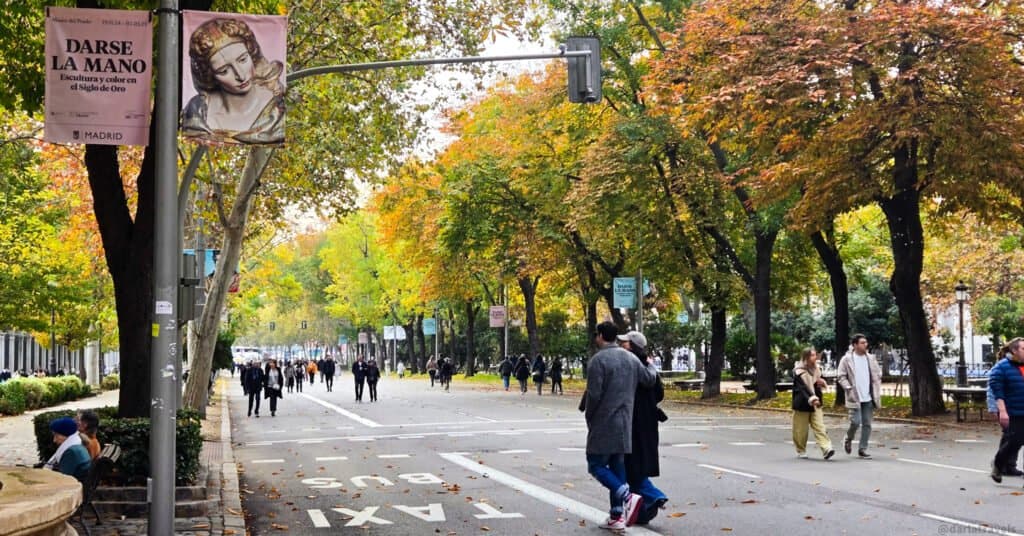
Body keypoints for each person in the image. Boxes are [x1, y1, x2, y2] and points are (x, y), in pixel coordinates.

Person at [582, 321, 659, 529]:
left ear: (600, 336)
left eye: (596, 335)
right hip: (626, 422)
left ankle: (627, 497)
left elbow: (594, 395)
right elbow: (649, 379)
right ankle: (617, 516)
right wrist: (651, 364)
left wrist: (590, 418)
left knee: (595, 464)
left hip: (604, 422)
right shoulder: (631, 359)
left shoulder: (598, 361)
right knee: (617, 466)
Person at [182, 17, 285, 145]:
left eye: (243, 60)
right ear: (210, 76)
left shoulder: (275, 112)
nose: (240, 75)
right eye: (224, 71)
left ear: (252, 54)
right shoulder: (197, 113)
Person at [617, 331, 669, 525]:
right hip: (648, 422)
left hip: (631, 421)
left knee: (630, 468)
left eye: (625, 342)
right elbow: (659, 393)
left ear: (631, 346)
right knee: (638, 465)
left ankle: (654, 495)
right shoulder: (649, 366)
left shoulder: (628, 364)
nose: (621, 344)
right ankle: (641, 512)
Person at [836, 334, 882, 459]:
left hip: (868, 396)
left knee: (867, 424)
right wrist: (848, 388)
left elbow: (877, 373)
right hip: (854, 396)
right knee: (855, 422)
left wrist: (876, 386)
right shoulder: (847, 359)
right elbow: (841, 376)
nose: (865, 345)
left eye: (865, 342)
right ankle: (848, 438)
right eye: (862, 343)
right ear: (855, 345)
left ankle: (863, 449)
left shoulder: (871, 358)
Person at [989, 337, 1024, 483]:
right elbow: (997, 391)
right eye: (1023, 349)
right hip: (1013, 412)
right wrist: (1002, 411)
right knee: (1014, 441)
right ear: (1014, 350)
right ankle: (998, 464)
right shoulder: (1002, 367)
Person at [792, 348, 835, 461]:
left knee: (820, 426)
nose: (815, 357)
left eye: (815, 355)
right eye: (812, 355)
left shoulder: (816, 369)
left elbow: (816, 383)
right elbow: (803, 388)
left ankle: (826, 448)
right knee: (801, 430)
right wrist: (812, 398)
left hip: (816, 404)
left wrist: (820, 383)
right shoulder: (799, 371)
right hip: (802, 404)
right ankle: (801, 449)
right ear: (806, 357)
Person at [45, 417, 91, 481]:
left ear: (66, 435)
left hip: (75, 487)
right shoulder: (77, 445)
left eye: (56, 435)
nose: (54, 440)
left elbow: (62, 479)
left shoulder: (71, 452)